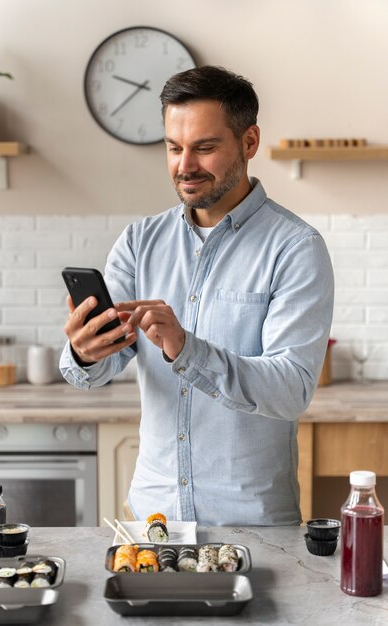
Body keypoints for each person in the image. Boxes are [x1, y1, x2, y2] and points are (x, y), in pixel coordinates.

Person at [60, 66, 334, 526]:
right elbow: (93, 373)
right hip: (153, 520)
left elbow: (290, 390)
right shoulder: (138, 242)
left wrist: (188, 349)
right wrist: (85, 353)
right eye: (173, 147)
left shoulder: (296, 248)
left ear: (249, 143)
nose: (184, 165)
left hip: (253, 523)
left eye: (205, 148)